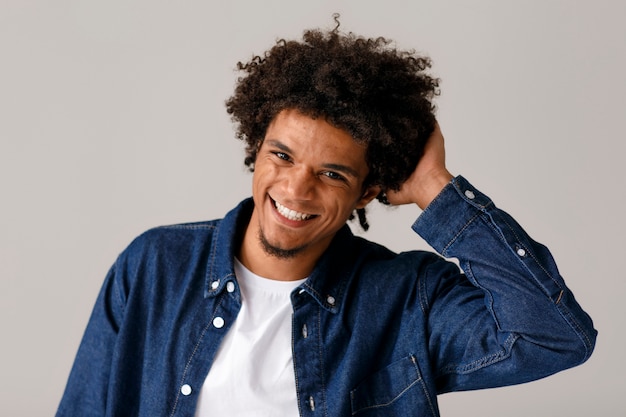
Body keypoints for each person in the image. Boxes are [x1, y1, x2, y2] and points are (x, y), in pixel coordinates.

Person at [56, 17, 596, 417]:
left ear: (368, 192)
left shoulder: (405, 297)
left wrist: (436, 187)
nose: (296, 188)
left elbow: (554, 337)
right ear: (256, 147)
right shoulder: (155, 264)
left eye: (333, 174)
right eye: (282, 155)